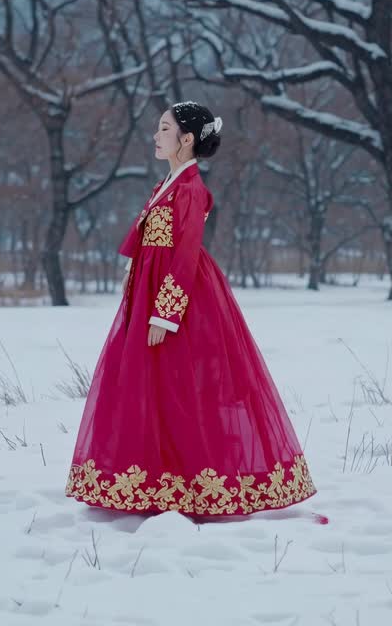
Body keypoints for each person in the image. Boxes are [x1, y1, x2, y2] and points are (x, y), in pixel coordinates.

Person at [66, 101, 316, 517]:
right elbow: (147, 240)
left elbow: (184, 255)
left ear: (186, 139)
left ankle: (196, 484)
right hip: (151, 288)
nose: (156, 135)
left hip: (182, 297)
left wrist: (165, 313)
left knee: (182, 385)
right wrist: (135, 279)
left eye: (164, 129)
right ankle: (155, 480)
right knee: (150, 382)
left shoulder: (190, 189)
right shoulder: (168, 183)